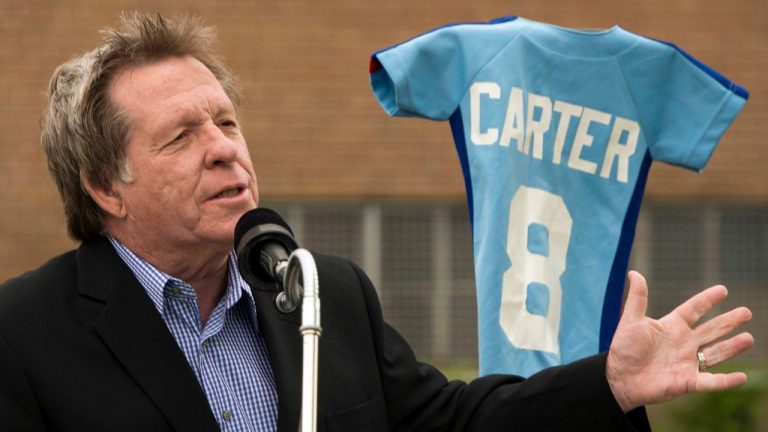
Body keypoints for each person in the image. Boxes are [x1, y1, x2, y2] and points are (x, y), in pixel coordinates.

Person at [0, 12, 753, 432]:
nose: (225, 150)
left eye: (227, 123)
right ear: (106, 185)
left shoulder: (324, 294)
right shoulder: (24, 334)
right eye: (182, 136)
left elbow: (450, 423)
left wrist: (609, 383)